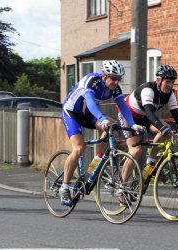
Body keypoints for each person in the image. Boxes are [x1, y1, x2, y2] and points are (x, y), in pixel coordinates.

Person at [60, 60, 143, 206]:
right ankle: (65, 187)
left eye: (119, 79)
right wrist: (101, 118)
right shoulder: (92, 81)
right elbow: (91, 103)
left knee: (113, 126)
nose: (116, 82)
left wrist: (133, 124)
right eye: (113, 78)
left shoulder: (115, 88)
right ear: (104, 75)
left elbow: (123, 107)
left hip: (88, 115)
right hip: (72, 113)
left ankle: (97, 159)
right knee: (79, 147)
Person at [118, 64, 178, 191]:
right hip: (130, 116)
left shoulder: (170, 94)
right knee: (135, 151)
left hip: (144, 117)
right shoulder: (148, 90)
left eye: (173, 82)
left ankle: (149, 163)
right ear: (158, 80)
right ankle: (121, 187)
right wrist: (162, 128)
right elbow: (150, 113)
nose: (170, 85)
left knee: (167, 128)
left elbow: (177, 116)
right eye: (168, 82)